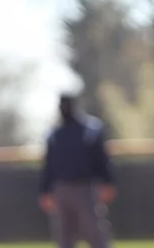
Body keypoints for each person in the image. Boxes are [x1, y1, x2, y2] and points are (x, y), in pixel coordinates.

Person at [38, 94, 116, 248]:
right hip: (61, 189)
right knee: (64, 235)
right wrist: (45, 191)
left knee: (94, 232)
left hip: (85, 188)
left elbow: (101, 158)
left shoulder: (89, 130)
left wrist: (107, 181)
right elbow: (49, 165)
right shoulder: (54, 134)